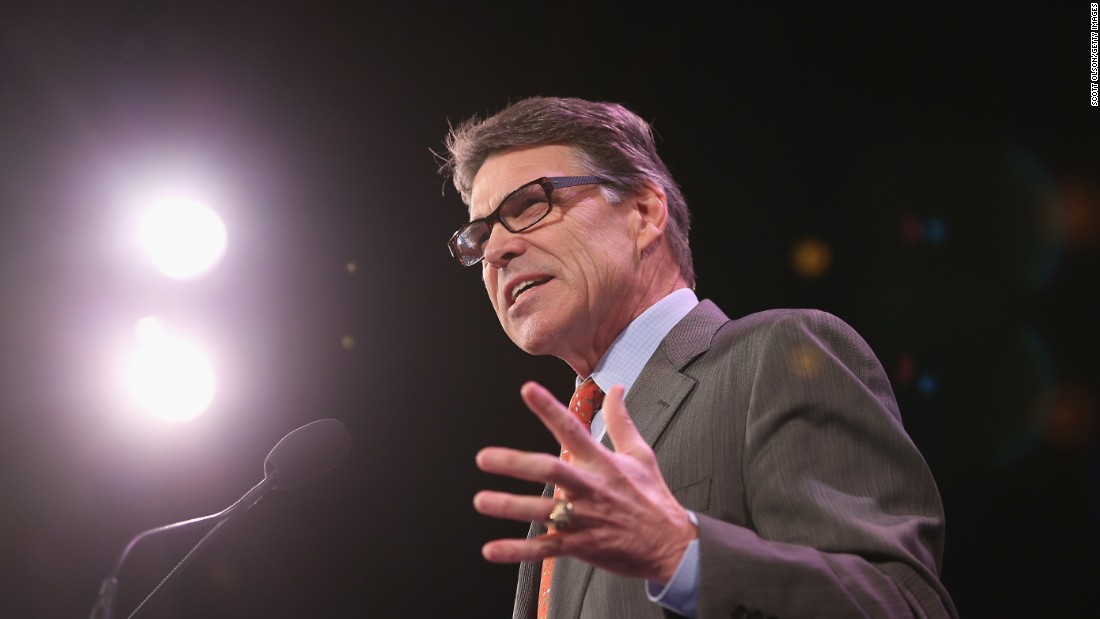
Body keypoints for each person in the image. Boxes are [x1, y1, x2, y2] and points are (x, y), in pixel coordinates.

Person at [438, 96, 957, 619]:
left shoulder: (776, 356)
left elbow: (903, 606)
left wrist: (680, 554)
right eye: (478, 237)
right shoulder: (572, 466)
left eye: (529, 205)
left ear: (643, 213)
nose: (497, 250)